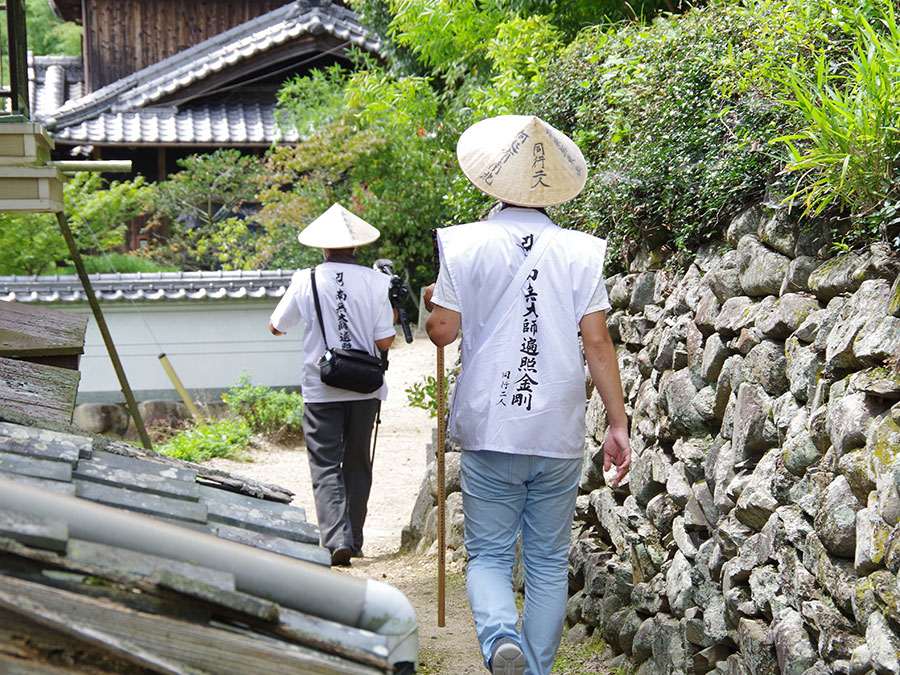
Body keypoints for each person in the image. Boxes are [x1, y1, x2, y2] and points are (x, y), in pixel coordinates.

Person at [424, 115, 631, 675]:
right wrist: (618, 423)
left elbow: (443, 332)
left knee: (489, 553)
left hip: (491, 427)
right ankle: (534, 670)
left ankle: (498, 641)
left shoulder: (462, 244)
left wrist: (433, 301)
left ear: (490, 181)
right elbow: (597, 341)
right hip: (556, 430)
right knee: (545, 561)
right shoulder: (583, 251)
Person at [269, 203, 396, 567]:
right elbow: (385, 342)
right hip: (366, 386)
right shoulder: (376, 281)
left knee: (325, 462)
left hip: (321, 384)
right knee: (357, 461)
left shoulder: (305, 279)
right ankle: (354, 539)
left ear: (322, 247)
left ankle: (336, 539)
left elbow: (278, 326)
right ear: (357, 246)